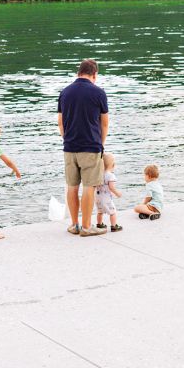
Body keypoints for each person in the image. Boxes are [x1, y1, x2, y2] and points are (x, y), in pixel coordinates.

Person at [58, 59, 109, 236]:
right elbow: (104, 124)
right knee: (89, 186)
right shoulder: (99, 93)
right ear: (94, 74)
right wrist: (100, 144)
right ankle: (87, 227)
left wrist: (67, 140)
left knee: (72, 185)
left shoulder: (64, 93)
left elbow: (60, 123)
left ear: (78, 72)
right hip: (91, 146)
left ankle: (74, 225)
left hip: (69, 147)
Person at [93, 153, 123, 232]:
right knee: (112, 212)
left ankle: (99, 224)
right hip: (106, 198)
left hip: (97, 197)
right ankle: (113, 226)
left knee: (100, 212)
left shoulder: (98, 175)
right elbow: (111, 187)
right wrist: (117, 193)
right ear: (113, 165)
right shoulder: (110, 176)